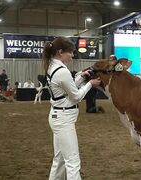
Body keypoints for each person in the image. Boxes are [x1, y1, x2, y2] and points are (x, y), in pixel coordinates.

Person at [42, 36, 101, 180]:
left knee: (60, 160)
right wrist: (89, 84)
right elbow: (76, 96)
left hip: (58, 116)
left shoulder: (52, 66)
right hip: (64, 119)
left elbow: (67, 87)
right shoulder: (62, 71)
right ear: (61, 52)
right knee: (73, 162)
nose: (72, 56)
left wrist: (81, 76)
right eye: (71, 52)